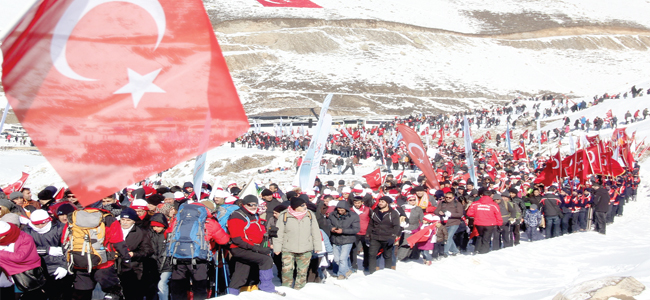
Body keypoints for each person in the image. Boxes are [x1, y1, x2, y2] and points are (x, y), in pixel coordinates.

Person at [166, 202, 230, 300]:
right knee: (199, 286)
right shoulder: (208, 222)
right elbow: (223, 240)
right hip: (199, 259)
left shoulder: (178, 220)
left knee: (179, 285)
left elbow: (167, 234)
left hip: (178, 257)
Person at [227, 195, 284, 296]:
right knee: (266, 260)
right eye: (250, 204)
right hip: (240, 248)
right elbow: (237, 239)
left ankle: (232, 294)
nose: (253, 206)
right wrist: (256, 248)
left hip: (250, 247)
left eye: (255, 204)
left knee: (241, 272)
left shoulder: (254, 215)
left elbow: (258, 230)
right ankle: (267, 288)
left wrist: (268, 234)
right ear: (244, 204)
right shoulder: (237, 216)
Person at [273, 197, 321, 289]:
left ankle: (299, 289)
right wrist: (277, 248)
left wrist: (317, 246)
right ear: (295, 207)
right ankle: (286, 289)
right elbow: (279, 233)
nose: (305, 206)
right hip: (288, 248)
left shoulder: (310, 214)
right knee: (287, 271)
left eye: (305, 204)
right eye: (302, 205)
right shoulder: (284, 215)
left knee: (302, 272)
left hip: (305, 248)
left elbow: (315, 231)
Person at [22, 209, 71, 300]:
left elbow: (69, 250)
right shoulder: (27, 230)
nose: (40, 226)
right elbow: (25, 250)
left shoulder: (61, 228)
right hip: (37, 269)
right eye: (36, 224)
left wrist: (65, 267)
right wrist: (47, 250)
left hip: (58, 267)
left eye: (43, 223)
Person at [0, 220, 45, 299]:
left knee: (30, 295)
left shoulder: (24, 238)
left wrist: (1, 253)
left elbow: (19, 257)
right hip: (5, 276)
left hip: (24, 275)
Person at [117, 207, 153, 300]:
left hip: (133, 268)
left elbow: (148, 250)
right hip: (115, 267)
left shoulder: (141, 232)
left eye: (128, 220)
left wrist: (134, 254)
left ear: (133, 221)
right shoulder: (115, 230)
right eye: (122, 219)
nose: (124, 222)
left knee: (133, 294)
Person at [366, 196, 401, 273]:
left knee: (387, 256)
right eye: (380, 201)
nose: (380, 203)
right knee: (372, 254)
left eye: (383, 202)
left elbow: (396, 226)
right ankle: (372, 272)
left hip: (387, 237)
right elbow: (370, 225)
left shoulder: (393, 213)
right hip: (375, 237)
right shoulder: (375, 212)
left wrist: (393, 236)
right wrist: (367, 236)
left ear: (387, 203)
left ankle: (387, 273)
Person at [327, 201, 360, 280]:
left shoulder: (353, 216)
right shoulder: (332, 215)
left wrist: (343, 231)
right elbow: (328, 223)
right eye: (339, 210)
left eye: (342, 210)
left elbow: (356, 229)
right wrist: (332, 228)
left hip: (347, 240)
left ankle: (342, 274)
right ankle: (348, 270)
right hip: (335, 239)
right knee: (336, 259)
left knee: (342, 258)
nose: (340, 211)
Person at [466, 189, 502, 254]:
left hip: (478, 223)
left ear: (482, 195)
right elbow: (498, 214)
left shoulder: (475, 203)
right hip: (490, 224)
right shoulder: (494, 204)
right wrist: (499, 223)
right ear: (491, 196)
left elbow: (469, 213)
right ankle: (484, 251)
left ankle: (477, 249)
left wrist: (478, 214)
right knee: (486, 238)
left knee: (480, 236)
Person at [433, 192, 464, 256]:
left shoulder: (457, 204)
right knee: (449, 237)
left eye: (450, 197)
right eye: (446, 197)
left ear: (453, 198)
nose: (448, 199)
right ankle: (455, 250)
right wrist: (439, 212)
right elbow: (436, 211)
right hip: (444, 222)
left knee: (448, 237)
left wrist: (451, 214)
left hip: (454, 222)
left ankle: (445, 252)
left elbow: (460, 214)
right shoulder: (442, 203)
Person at [350, 197, 370, 272]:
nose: (357, 204)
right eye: (355, 203)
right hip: (355, 233)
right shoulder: (351, 210)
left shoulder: (367, 209)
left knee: (366, 250)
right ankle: (353, 265)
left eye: (358, 203)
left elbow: (371, 220)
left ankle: (366, 265)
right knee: (353, 250)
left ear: (362, 202)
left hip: (365, 233)